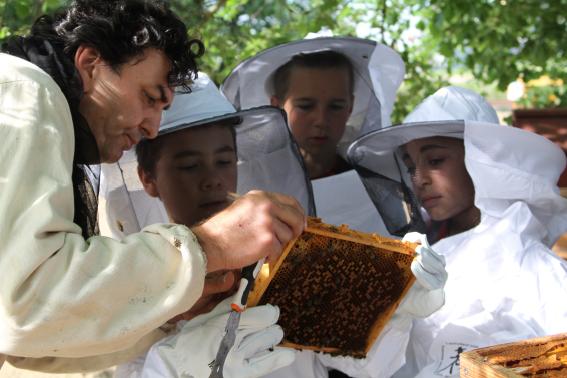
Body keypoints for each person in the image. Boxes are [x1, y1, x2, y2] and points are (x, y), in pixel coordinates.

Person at [0, 0, 304, 372]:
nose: (152, 128)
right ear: (90, 63)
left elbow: (32, 337)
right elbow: (24, 304)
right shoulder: (22, 88)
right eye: (149, 98)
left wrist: (164, 309)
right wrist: (211, 245)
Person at [109, 74, 447, 378]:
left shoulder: (278, 261)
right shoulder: (138, 284)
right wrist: (175, 368)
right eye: (189, 166)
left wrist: (391, 308)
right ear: (148, 178)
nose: (212, 179)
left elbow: (362, 365)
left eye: (224, 161)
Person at [346, 86, 567, 377]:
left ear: (481, 159)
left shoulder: (538, 269)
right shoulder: (432, 259)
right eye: (411, 165)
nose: (419, 179)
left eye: (435, 160)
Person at [221, 36, 405, 236]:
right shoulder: (250, 182)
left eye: (335, 106)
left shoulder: (375, 185)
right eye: (305, 106)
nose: (321, 119)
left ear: (350, 107)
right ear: (276, 106)